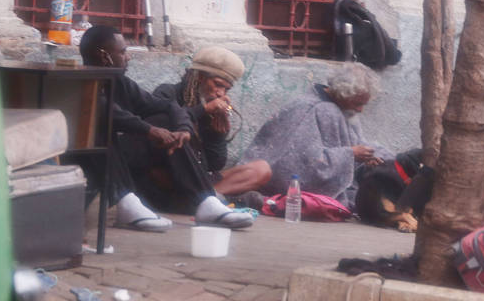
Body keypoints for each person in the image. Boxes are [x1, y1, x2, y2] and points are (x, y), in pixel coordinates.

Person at [79, 26, 254, 229]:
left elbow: (213, 161)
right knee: (105, 126)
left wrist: (203, 130)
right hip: (112, 162)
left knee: (258, 169)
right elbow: (107, 110)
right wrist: (152, 129)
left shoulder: (121, 83)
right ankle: (129, 203)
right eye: (123, 52)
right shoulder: (82, 82)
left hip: (190, 174)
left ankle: (207, 202)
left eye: (225, 88)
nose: (128, 58)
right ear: (104, 56)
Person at [241, 62, 392, 210]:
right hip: (271, 178)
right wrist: (350, 154)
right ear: (343, 94)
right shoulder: (314, 109)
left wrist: (370, 158)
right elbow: (303, 164)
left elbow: (357, 144)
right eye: (358, 103)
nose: (360, 110)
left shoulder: (345, 110)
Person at [152, 47, 271, 202]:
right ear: (200, 77)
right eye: (217, 84)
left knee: (261, 169)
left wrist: (218, 135)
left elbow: (215, 164)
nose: (221, 93)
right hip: (170, 174)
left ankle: (205, 198)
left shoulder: (211, 107)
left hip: (201, 177)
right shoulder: (167, 92)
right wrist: (203, 109)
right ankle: (208, 199)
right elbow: (162, 126)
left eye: (226, 89)